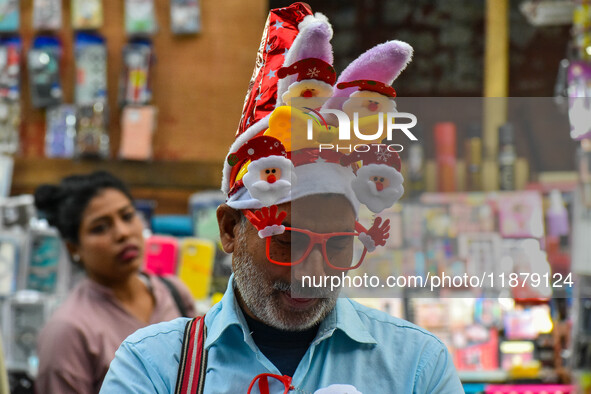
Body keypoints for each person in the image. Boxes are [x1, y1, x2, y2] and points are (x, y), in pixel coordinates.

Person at [100, 3, 463, 392]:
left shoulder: (415, 365)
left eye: (339, 245)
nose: (313, 272)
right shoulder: (154, 365)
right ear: (228, 229)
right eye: (288, 242)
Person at [34, 170, 196, 394]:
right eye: (100, 227)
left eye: (127, 216)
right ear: (73, 248)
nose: (122, 233)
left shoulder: (174, 293)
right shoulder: (68, 332)